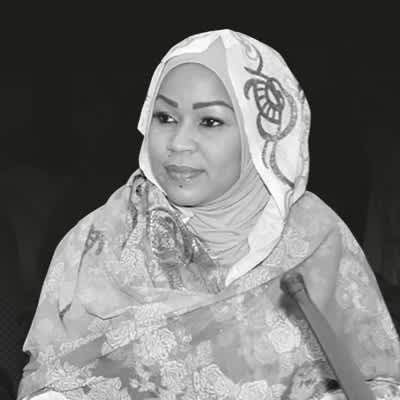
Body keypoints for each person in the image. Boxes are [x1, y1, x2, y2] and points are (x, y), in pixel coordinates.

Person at [18, 29, 400, 399]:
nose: (179, 142)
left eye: (210, 121)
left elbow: (379, 377)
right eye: (165, 117)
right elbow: (50, 379)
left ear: (260, 135)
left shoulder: (315, 240)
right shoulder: (102, 241)